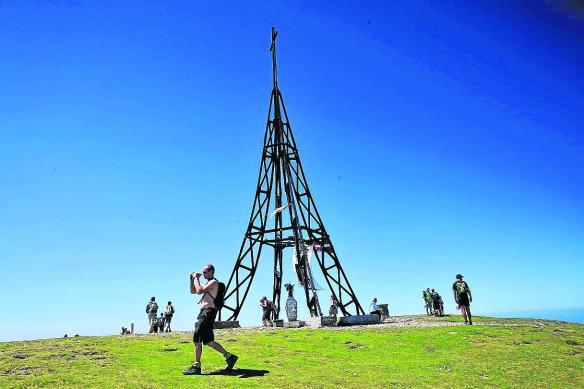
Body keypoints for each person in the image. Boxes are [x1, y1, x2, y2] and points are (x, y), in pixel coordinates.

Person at [182, 264, 238, 375]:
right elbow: (193, 291)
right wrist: (192, 279)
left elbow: (199, 291)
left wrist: (196, 278)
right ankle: (230, 357)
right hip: (206, 312)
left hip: (207, 312)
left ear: (211, 272)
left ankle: (196, 366)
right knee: (208, 341)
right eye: (203, 272)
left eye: (205, 272)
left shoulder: (214, 282)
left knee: (197, 336)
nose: (203, 274)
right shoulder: (207, 283)